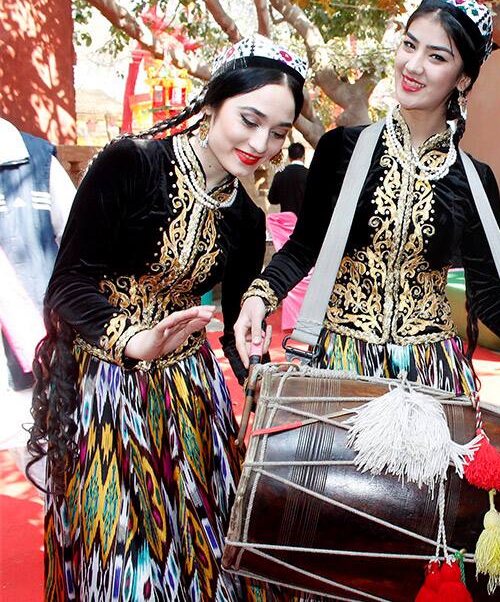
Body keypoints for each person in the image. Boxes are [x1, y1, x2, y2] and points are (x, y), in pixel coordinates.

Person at [28, 34, 308, 600]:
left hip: (192, 398)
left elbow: (232, 329)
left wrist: (259, 371)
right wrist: (132, 340)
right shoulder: (131, 163)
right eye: (249, 119)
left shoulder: (247, 218)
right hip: (107, 388)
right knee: (122, 559)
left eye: (279, 133)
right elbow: (67, 283)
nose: (261, 143)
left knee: (205, 555)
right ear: (212, 104)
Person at [235, 0, 500, 392]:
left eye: (437, 57)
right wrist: (259, 297)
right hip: (340, 365)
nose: (414, 65)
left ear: (464, 79)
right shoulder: (341, 150)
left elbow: (489, 296)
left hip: (430, 376)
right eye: (410, 45)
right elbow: (303, 248)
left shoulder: (475, 180)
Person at [0, 118, 76, 488]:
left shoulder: (33, 159)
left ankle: (69, 528)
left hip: (33, 332)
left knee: (45, 443)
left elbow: (80, 243)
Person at [268, 141, 308, 215]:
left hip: (286, 222)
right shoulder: (309, 174)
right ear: (303, 156)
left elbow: (272, 199)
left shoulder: (280, 174)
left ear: (289, 157)